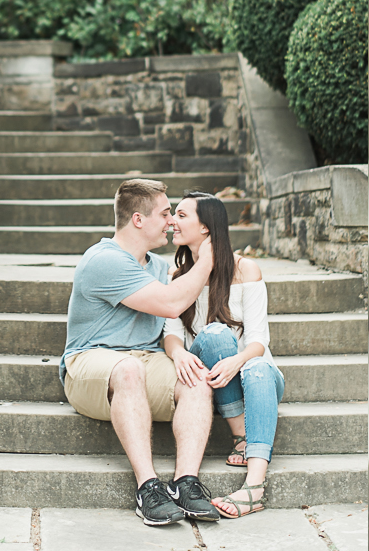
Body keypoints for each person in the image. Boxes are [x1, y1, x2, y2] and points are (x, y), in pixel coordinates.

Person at [60, 177, 221, 527]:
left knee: (197, 380)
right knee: (129, 368)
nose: (171, 221)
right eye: (165, 213)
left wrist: (177, 352)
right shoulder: (104, 260)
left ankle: (185, 484)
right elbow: (171, 303)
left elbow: (171, 321)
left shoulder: (158, 267)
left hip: (147, 362)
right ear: (138, 219)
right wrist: (207, 259)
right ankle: (148, 488)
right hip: (91, 362)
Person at [163, 191, 285, 518]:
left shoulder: (247, 270)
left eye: (181, 215)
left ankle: (254, 486)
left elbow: (258, 341)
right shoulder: (177, 278)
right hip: (212, 375)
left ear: (205, 228)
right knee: (216, 334)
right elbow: (171, 337)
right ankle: (240, 435)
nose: (172, 221)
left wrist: (238, 360)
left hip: (249, 374)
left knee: (258, 366)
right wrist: (178, 356)